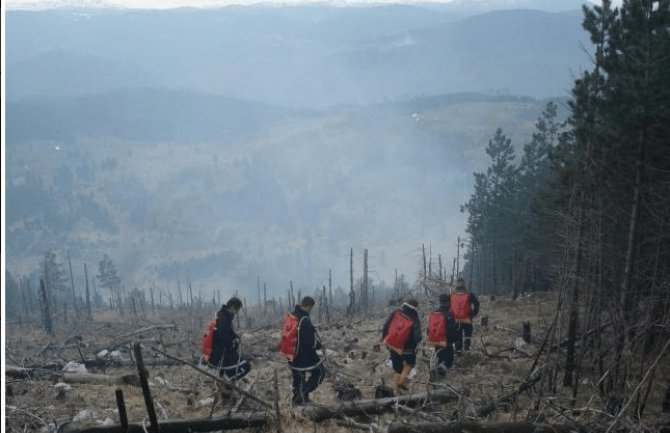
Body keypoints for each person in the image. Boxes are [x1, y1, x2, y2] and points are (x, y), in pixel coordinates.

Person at [280, 296, 326, 406]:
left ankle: (298, 400)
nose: (311, 310)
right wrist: (319, 346)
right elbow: (310, 342)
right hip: (304, 358)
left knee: (298, 378)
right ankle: (301, 395)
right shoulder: (304, 320)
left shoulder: (291, 315)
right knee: (320, 373)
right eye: (311, 308)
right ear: (309, 306)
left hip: (291, 356)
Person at [381, 299, 421, 393]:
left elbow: (386, 326)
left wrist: (385, 339)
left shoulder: (396, 312)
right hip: (408, 348)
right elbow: (417, 337)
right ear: (416, 307)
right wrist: (414, 345)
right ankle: (401, 382)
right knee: (410, 363)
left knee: (397, 368)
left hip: (393, 345)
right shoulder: (415, 318)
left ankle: (396, 391)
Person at [209, 297, 251, 381]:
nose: (236, 313)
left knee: (242, 361)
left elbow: (228, 333)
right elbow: (224, 340)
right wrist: (234, 344)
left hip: (219, 354)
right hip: (220, 357)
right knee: (246, 366)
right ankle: (225, 382)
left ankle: (225, 384)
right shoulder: (224, 319)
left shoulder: (222, 315)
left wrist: (235, 337)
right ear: (232, 308)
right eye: (236, 310)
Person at [427, 293, 458, 379]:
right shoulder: (449, 314)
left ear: (440, 301)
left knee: (440, 359)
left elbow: (429, 329)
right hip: (446, 342)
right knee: (449, 361)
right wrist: (455, 340)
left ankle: (438, 377)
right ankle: (438, 372)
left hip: (436, 341)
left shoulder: (434, 313)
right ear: (448, 302)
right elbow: (452, 330)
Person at [450, 278, 480, 352]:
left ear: (456, 284)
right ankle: (467, 349)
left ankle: (458, 351)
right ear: (464, 284)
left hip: (456, 320)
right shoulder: (469, 293)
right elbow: (477, 303)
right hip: (467, 318)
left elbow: (448, 306)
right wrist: (473, 313)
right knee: (467, 334)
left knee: (457, 336)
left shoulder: (452, 294)